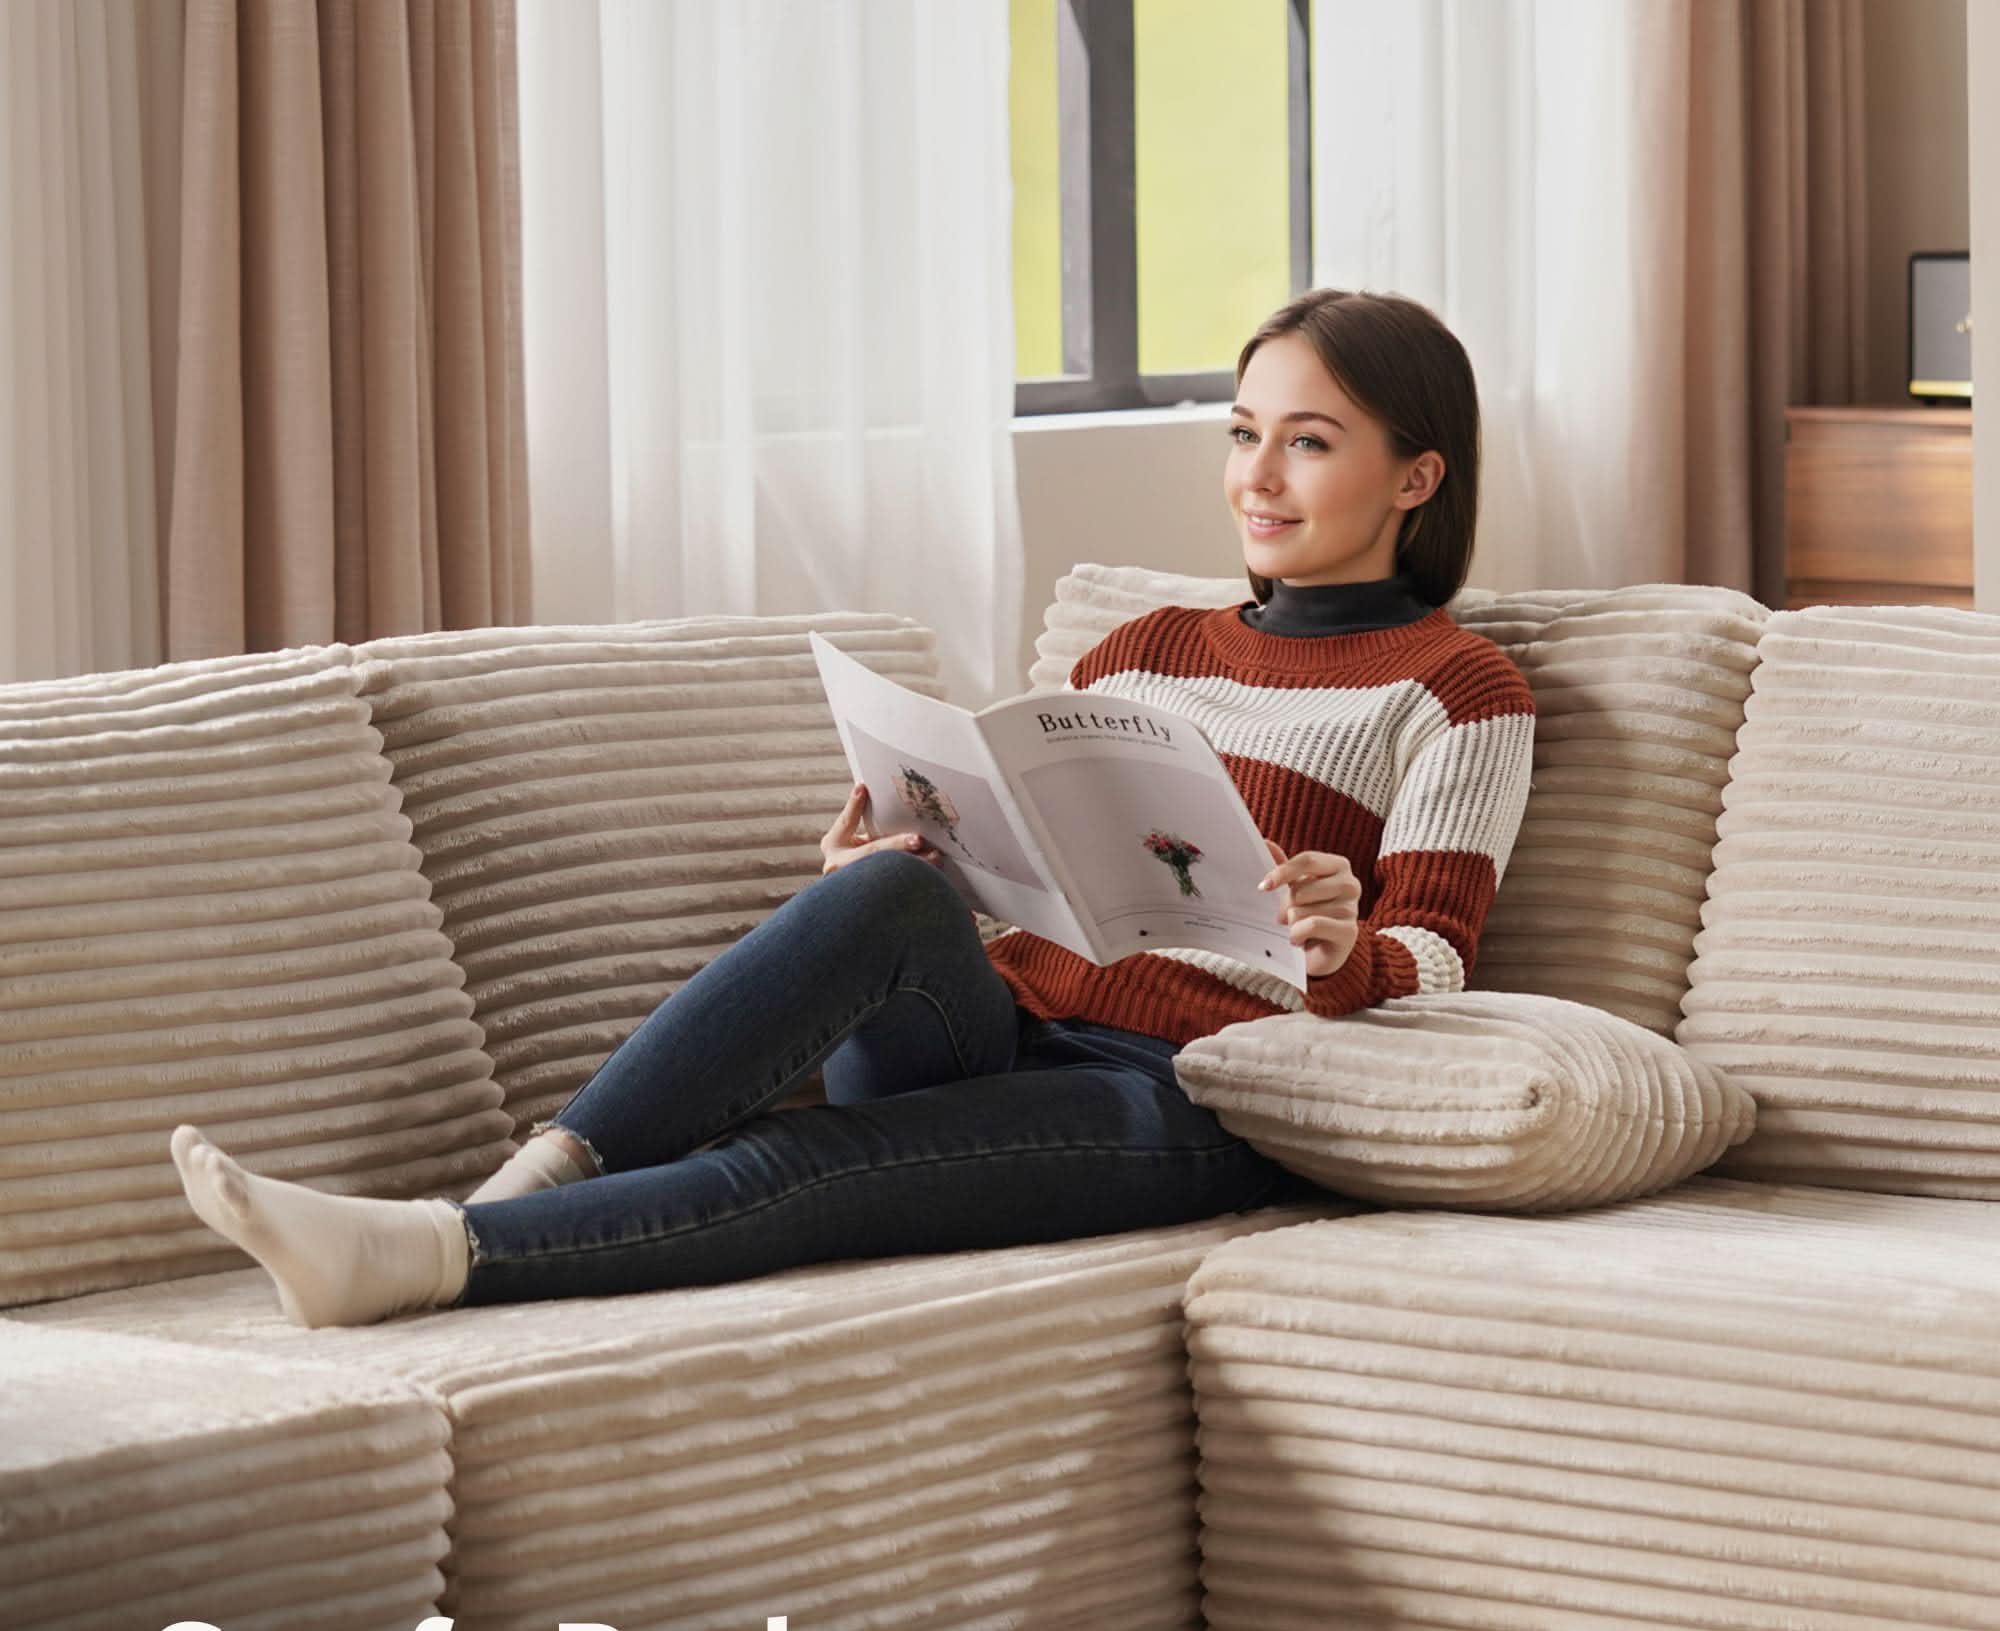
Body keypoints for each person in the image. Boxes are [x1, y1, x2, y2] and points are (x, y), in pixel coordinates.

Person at [170, 287, 1536, 1328]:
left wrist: (1340, 943)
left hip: (1182, 1097)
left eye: (1310, 442)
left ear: (1416, 477)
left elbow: (1435, 963)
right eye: (1246, 434)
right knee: (882, 890)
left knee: (818, 1160)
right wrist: (918, 850)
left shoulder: (1457, 689)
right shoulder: (1145, 646)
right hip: (1009, 1016)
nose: (1258, 474)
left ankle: (429, 1257)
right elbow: (1045, 859)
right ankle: (520, 1188)